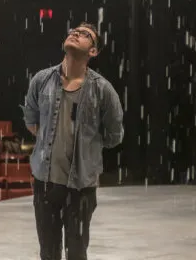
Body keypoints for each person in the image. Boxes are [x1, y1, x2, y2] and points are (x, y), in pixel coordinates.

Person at [21, 22, 124, 260]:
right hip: (45, 183)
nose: (76, 33)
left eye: (85, 34)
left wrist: (87, 149)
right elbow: (31, 121)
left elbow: (114, 136)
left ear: (93, 51)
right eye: (74, 31)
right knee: (48, 253)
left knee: (77, 253)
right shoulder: (41, 80)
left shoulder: (103, 90)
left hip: (81, 188)